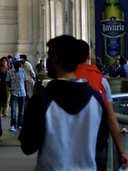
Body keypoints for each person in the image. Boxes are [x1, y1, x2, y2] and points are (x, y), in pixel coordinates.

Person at [19, 35, 109, 171]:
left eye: (49, 56)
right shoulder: (95, 99)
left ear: (56, 59)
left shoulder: (41, 100)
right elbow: (101, 142)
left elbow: (28, 147)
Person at [75, 39, 128, 170]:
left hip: (72, 148)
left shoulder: (64, 81)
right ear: (88, 56)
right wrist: (121, 151)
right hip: (97, 144)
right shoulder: (101, 81)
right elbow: (111, 119)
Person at [6, 59, 28, 132]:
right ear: (14, 64)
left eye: (19, 63)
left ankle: (20, 124)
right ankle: (13, 125)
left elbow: (25, 82)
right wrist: (9, 87)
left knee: (21, 110)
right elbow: (7, 81)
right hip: (14, 92)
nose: (19, 64)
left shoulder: (23, 71)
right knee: (13, 110)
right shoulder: (10, 72)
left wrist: (27, 92)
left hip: (22, 93)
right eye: (17, 63)